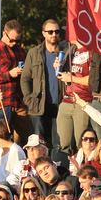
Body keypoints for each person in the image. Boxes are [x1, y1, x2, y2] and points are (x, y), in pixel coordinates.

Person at [21, 19, 65, 149]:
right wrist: (29, 99)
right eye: (50, 31)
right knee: (39, 145)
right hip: (39, 105)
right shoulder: (34, 53)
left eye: (56, 31)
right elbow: (25, 79)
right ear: (43, 33)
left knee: (59, 145)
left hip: (61, 105)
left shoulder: (67, 53)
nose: (53, 34)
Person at [0, 19, 31, 144]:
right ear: (4, 33)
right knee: (1, 138)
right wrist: (9, 74)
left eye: (17, 40)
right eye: (11, 40)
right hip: (2, 101)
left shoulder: (20, 51)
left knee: (26, 138)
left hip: (19, 101)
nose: (13, 43)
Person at [56, 40, 92, 155]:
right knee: (63, 144)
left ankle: (82, 170)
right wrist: (57, 68)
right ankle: (64, 171)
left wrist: (71, 78)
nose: (68, 34)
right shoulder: (69, 50)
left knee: (81, 144)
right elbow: (64, 76)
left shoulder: (91, 51)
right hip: (66, 100)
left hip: (82, 101)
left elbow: (92, 79)